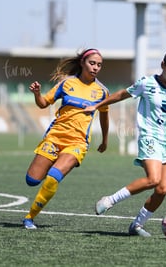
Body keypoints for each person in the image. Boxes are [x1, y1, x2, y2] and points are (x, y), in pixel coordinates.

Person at [84, 50, 166, 237]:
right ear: (163, 65)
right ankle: (110, 200)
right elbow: (123, 94)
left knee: (162, 190)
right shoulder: (146, 83)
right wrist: (97, 105)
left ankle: (137, 225)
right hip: (150, 138)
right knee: (153, 179)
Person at [22, 48, 110, 229]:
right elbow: (43, 104)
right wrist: (37, 93)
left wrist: (105, 140)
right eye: (92, 63)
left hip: (77, 143)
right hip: (54, 138)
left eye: (99, 65)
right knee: (32, 180)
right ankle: (49, 168)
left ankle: (29, 218)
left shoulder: (102, 91)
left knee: (54, 177)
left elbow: (104, 116)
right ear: (82, 63)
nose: (95, 68)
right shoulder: (67, 83)